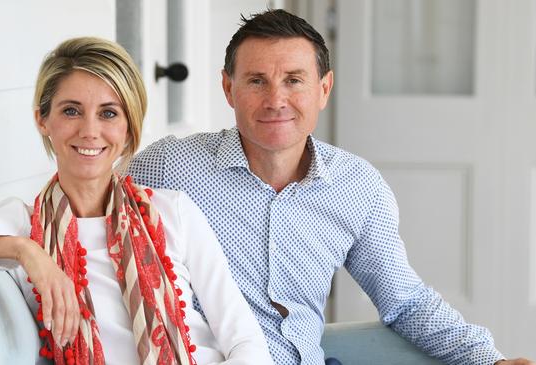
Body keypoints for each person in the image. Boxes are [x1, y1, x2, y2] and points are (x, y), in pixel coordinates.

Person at [126, 9, 535, 365]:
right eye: (256, 81)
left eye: (293, 80)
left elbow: (405, 302)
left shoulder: (357, 187)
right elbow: (83, 214)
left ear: (324, 88)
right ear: (228, 88)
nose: (276, 99)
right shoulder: (168, 167)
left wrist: (490, 359)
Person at [0, 37, 274, 365]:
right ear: (44, 120)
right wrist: (27, 252)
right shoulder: (25, 226)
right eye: (71, 111)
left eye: (108, 113)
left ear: (128, 129)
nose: (90, 131)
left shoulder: (173, 211)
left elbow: (244, 340)